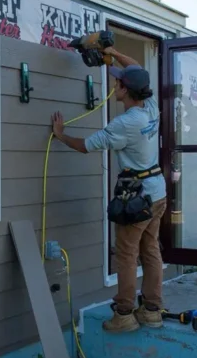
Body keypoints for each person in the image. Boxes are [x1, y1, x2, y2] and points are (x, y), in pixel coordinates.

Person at [51, 45, 167, 334]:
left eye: (118, 82)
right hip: (158, 191)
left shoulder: (125, 124)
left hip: (138, 197)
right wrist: (112, 51)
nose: (115, 84)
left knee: (127, 255)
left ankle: (124, 314)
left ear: (126, 91)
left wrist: (60, 135)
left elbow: (85, 146)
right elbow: (136, 65)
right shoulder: (150, 107)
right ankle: (152, 310)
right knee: (150, 249)